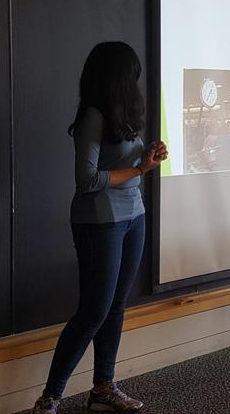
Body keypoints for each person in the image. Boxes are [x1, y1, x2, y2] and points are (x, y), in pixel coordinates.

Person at [32, 42, 167, 414]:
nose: (137, 83)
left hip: (132, 217)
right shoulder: (92, 116)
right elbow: (87, 180)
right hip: (99, 222)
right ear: (120, 78)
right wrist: (140, 169)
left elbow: (119, 166)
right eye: (133, 75)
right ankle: (50, 397)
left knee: (115, 306)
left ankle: (103, 388)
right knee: (94, 311)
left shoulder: (120, 115)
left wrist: (146, 156)